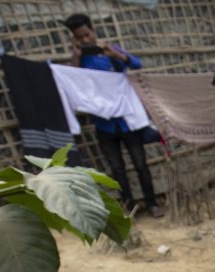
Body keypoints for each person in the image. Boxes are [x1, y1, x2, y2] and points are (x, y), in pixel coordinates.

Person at [64, 12, 162, 218]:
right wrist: (76, 55)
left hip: (127, 121)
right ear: (73, 37)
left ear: (93, 30)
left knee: (140, 164)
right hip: (103, 125)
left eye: (87, 35)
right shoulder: (80, 59)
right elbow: (75, 80)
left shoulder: (109, 51)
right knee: (117, 169)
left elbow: (136, 64)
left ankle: (152, 204)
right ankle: (130, 207)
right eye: (79, 37)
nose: (85, 40)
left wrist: (115, 54)